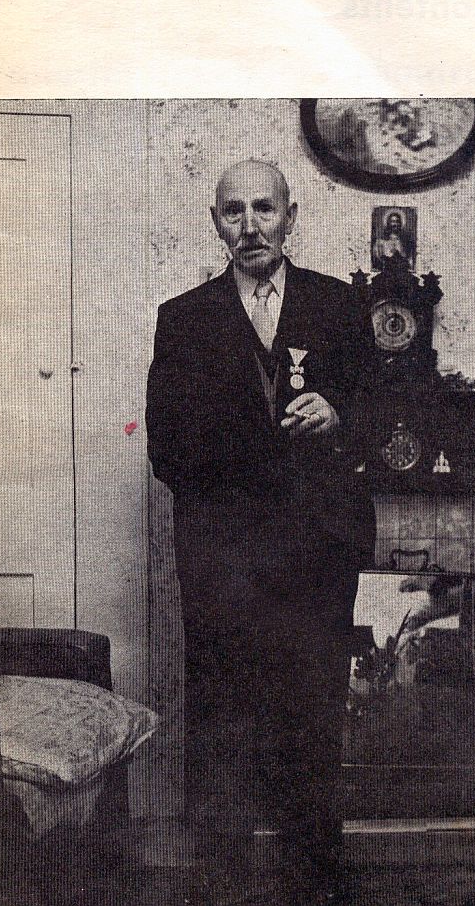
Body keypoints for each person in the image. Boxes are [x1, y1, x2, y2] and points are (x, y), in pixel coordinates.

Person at [146, 160, 376, 906]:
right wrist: (248, 452)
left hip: (317, 559)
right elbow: (166, 452)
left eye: (265, 209)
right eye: (234, 211)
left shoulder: (339, 306)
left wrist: (339, 416)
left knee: (313, 719)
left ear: (291, 216)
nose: (250, 226)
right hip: (223, 565)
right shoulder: (183, 319)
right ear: (216, 223)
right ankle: (220, 882)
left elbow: (389, 411)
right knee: (222, 723)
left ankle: (315, 881)